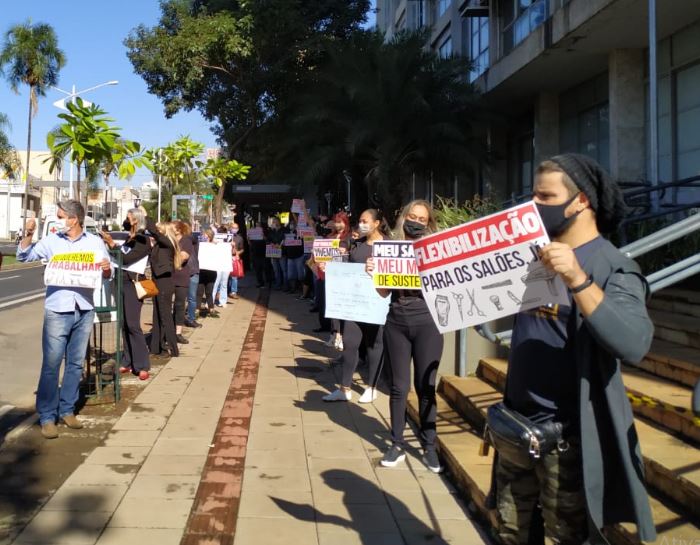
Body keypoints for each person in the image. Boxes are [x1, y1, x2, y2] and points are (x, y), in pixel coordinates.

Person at [491, 154, 656, 545]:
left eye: (545, 197)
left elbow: (634, 342)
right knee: (510, 533)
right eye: (533, 196)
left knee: (568, 537)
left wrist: (578, 279)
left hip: (567, 441)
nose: (534, 205)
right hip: (517, 428)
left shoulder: (612, 267)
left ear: (580, 201)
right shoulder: (532, 254)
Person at [16, 200, 111, 438]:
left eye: (60, 216)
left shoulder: (94, 242)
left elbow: (108, 273)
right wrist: (28, 234)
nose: (58, 220)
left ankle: (67, 410)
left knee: (75, 363)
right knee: (51, 364)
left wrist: (106, 268)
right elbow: (24, 256)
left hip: (84, 308)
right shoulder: (51, 241)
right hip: (57, 309)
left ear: (74, 219)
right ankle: (47, 417)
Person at [366, 200, 443, 473]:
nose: (416, 222)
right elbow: (383, 293)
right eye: (412, 216)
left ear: (429, 223)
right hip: (397, 322)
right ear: (404, 218)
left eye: (422, 219)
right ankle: (396, 443)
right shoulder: (390, 248)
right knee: (399, 388)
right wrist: (375, 274)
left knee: (426, 386)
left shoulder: (436, 250)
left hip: (428, 323)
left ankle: (429, 446)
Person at [323, 209, 389, 404]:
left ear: (377, 223)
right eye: (360, 221)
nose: (361, 224)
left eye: (365, 221)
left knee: (373, 344)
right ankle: (344, 389)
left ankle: (372, 387)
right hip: (355, 304)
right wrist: (331, 265)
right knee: (350, 343)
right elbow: (346, 267)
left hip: (377, 304)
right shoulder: (356, 243)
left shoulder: (389, 246)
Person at [101, 209, 151, 380]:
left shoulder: (143, 239)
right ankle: (128, 360)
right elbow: (118, 256)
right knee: (123, 323)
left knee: (133, 324)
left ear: (136, 220)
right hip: (120, 281)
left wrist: (112, 244)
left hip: (133, 284)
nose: (126, 220)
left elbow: (127, 258)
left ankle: (142, 364)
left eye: (129, 218)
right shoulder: (128, 237)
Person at [148, 219, 181, 357]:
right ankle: (156, 347)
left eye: (159, 230)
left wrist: (145, 217)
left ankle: (173, 348)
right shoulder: (161, 245)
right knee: (157, 315)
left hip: (164, 282)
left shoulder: (167, 242)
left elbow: (154, 232)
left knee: (165, 316)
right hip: (157, 281)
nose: (157, 233)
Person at [172, 221, 192, 345]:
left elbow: (183, 258)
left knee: (179, 305)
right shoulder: (168, 240)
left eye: (172, 228)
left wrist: (170, 256)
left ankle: (178, 332)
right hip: (169, 277)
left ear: (179, 230)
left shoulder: (186, 241)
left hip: (181, 277)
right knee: (166, 305)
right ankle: (168, 331)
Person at [182, 222, 202, 329]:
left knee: (191, 297)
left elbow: (192, 238)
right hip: (186, 271)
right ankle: (183, 319)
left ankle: (191, 318)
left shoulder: (190, 239)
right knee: (185, 298)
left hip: (191, 270)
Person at [198, 228, 219, 318]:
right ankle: (197, 309)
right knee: (199, 291)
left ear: (209, 236)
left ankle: (211, 308)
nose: (203, 236)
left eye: (205, 235)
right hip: (201, 271)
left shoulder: (216, 245)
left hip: (211, 272)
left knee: (209, 291)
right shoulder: (200, 245)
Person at [249, 221, 269, 288]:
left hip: (264, 253)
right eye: (256, 225)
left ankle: (268, 281)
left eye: (259, 225)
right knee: (258, 269)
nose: (257, 227)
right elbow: (250, 243)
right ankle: (260, 282)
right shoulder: (253, 233)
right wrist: (248, 238)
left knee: (266, 268)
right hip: (256, 253)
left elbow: (267, 241)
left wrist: (263, 235)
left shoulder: (265, 232)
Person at [267, 216, 285, 289]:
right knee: (276, 270)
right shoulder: (271, 231)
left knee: (283, 269)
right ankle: (278, 284)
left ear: (279, 221)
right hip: (273, 252)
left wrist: (280, 244)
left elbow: (285, 239)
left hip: (282, 252)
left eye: (275, 221)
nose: (274, 222)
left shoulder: (283, 230)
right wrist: (271, 243)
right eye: (273, 221)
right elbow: (268, 240)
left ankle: (285, 285)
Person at [228, 222, 245, 299]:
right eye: (233, 228)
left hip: (234, 258)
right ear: (230, 228)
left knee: (234, 276)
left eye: (236, 228)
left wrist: (238, 253)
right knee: (227, 276)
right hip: (226, 257)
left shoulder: (239, 238)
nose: (234, 229)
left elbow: (242, 249)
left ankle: (233, 291)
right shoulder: (226, 236)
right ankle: (227, 291)